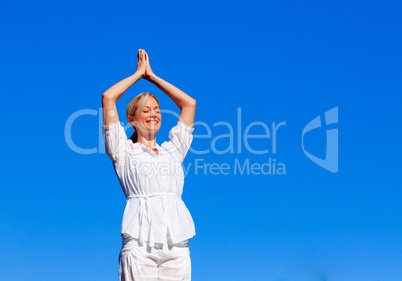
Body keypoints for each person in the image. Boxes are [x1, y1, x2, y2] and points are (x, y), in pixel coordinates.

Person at [101, 49, 196, 281]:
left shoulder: (173, 150)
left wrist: (152, 76)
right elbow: (108, 97)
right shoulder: (123, 151)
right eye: (145, 110)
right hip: (139, 244)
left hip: (177, 245)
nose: (153, 114)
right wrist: (138, 75)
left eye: (157, 110)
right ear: (131, 120)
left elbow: (189, 104)